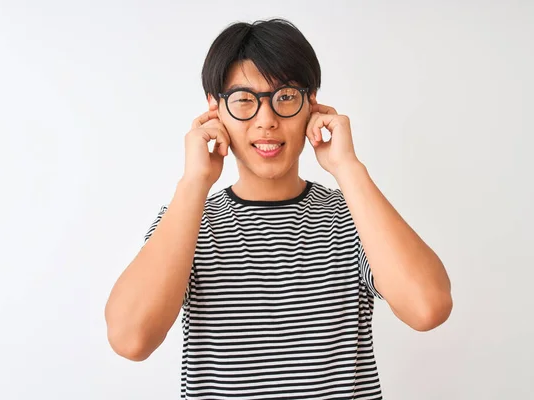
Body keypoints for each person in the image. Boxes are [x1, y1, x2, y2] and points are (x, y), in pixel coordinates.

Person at [105, 18, 452, 399]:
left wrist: (347, 168)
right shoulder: (188, 221)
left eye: (285, 96)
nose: (266, 121)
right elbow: (131, 340)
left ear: (312, 103)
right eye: (243, 100)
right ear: (214, 110)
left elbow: (428, 309)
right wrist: (193, 184)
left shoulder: (355, 213)